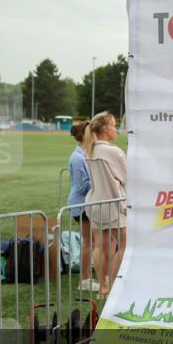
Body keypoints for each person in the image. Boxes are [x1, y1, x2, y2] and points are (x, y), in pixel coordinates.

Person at [83, 111, 127, 298]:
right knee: (125, 244)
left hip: (95, 202)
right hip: (113, 203)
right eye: (113, 125)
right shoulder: (113, 151)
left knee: (101, 245)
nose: (115, 129)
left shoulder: (90, 149)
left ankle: (103, 287)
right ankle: (117, 285)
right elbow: (127, 177)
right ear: (104, 128)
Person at [68, 121, 98, 293]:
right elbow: (81, 186)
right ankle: (85, 280)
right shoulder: (78, 157)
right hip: (81, 205)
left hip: (87, 203)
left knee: (92, 241)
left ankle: (89, 274)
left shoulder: (86, 154)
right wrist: (100, 182)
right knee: (88, 242)